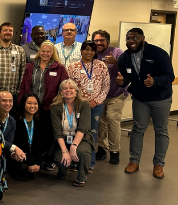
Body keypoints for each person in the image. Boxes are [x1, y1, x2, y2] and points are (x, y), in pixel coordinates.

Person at [116, 28, 175, 179]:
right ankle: (134, 162)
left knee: (161, 130)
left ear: (143, 38)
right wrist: (122, 81)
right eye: (128, 38)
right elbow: (126, 77)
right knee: (137, 129)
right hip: (140, 99)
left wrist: (155, 81)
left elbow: (170, 76)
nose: (131, 41)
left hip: (160, 98)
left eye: (134, 38)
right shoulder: (124, 57)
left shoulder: (158, 53)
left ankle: (158, 164)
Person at [18, 40, 68, 171]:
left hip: (48, 107)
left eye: (48, 51)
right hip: (31, 107)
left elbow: (63, 88)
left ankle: (47, 159)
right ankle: (31, 158)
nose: (45, 53)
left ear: (53, 53)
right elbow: (24, 86)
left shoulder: (59, 68)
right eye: (43, 51)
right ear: (39, 52)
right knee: (32, 133)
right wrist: (21, 104)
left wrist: (57, 104)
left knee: (46, 135)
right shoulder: (30, 66)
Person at [66, 40, 108, 173]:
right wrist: (81, 101)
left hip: (96, 105)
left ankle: (90, 162)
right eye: (86, 49)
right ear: (82, 50)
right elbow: (69, 86)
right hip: (78, 105)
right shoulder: (73, 66)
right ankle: (74, 161)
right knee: (75, 131)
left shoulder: (101, 66)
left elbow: (106, 87)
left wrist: (96, 101)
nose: (89, 52)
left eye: (92, 50)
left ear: (95, 52)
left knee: (92, 134)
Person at [92, 29, 128, 165]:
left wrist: (116, 62)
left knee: (112, 120)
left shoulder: (117, 52)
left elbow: (129, 68)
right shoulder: (93, 53)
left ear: (107, 41)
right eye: (96, 41)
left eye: (101, 40)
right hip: (100, 95)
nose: (99, 43)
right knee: (100, 122)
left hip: (116, 94)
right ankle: (101, 148)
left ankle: (114, 151)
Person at [51, 79, 93, 186]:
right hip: (63, 139)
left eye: (71, 88)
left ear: (76, 91)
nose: (68, 90)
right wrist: (65, 151)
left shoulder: (84, 105)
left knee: (82, 152)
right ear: (61, 92)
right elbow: (57, 131)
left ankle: (81, 177)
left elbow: (83, 128)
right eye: (65, 88)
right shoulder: (55, 107)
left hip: (81, 138)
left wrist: (74, 146)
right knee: (59, 157)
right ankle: (62, 171)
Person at [10, 94, 47, 181]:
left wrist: (37, 162)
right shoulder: (15, 120)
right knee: (17, 162)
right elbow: (18, 142)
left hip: (34, 153)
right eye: (29, 103)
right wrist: (30, 162)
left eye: (35, 103)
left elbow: (40, 142)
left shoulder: (40, 121)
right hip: (20, 153)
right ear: (23, 104)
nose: (33, 106)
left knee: (40, 163)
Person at [0, 23, 26, 111]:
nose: (8, 32)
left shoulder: (20, 50)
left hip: (13, 95)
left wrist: (18, 91)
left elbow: (22, 72)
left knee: (11, 119)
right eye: (5, 30)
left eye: (10, 30)